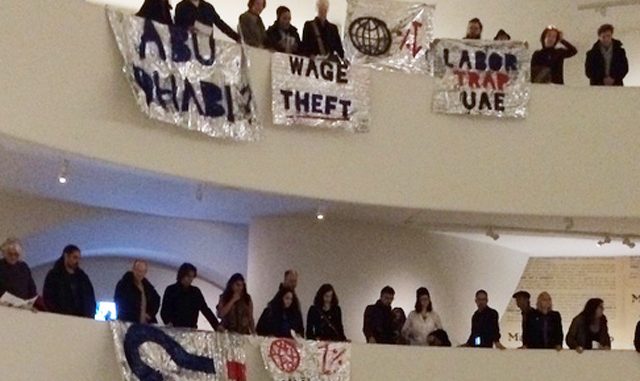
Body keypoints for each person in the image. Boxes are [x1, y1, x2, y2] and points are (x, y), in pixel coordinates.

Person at [160, 263, 219, 330]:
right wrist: (168, 323)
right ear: (182, 275)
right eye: (188, 276)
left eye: (192, 277)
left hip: (190, 329)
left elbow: (205, 310)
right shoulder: (171, 290)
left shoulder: (195, 291)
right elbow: (164, 310)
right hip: (175, 329)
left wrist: (216, 326)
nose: (191, 279)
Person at [43, 245, 96, 318]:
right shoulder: (54, 276)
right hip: (60, 318)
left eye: (79, 258)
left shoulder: (83, 278)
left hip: (81, 319)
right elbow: (48, 299)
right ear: (66, 256)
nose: (77, 261)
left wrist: (89, 316)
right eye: (74, 257)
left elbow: (90, 299)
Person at [113, 260, 160, 324]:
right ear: (133, 269)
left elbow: (156, 299)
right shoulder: (124, 284)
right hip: (128, 323)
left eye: (142, 271)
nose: (139, 274)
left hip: (145, 325)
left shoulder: (147, 287)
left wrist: (150, 314)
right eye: (137, 270)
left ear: (145, 272)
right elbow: (120, 303)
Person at [174, 0, 240, 41]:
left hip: (207, 43)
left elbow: (220, 24)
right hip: (189, 43)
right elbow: (176, 26)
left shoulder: (208, 7)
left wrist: (236, 37)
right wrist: (187, 28)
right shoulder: (181, 7)